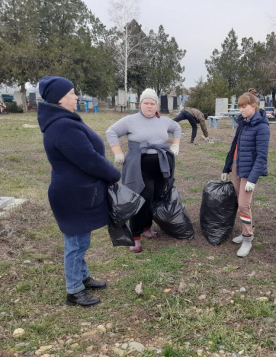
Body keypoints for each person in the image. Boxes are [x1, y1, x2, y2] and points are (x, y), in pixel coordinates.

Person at [37, 76, 121, 307]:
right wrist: (114, 175)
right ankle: (74, 290)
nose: (76, 96)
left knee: (79, 240)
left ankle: (82, 277)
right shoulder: (63, 126)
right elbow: (90, 160)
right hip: (72, 195)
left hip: (75, 191)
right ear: (60, 98)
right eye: (72, 93)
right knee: (76, 243)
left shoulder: (62, 120)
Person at [106, 88, 182, 253]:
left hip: (162, 166)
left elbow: (177, 128)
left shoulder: (163, 121)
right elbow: (111, 132)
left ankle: (147, 228)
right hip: (140, 167)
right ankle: (135, 237)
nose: (149, 106)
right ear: (140, 104)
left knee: (155, 197)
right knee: (142, 198)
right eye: (146, 103)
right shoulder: (130, 120)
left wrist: (175, 144)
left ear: (156, 105)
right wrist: (117, 152)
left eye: (152, 103)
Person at [221, 89, 270, 257]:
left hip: (249, 171)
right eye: (239, 106)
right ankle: (244, 231)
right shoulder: (242, 122)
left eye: (244, 106)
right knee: (240, 202)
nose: (241, 110)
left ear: (254, 106)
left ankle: (247, 238)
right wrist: (227, 167)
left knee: (243, 204)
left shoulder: (262, 127)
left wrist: (252, 179)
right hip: (237, 167)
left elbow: (262, 156)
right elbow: (234, 146)